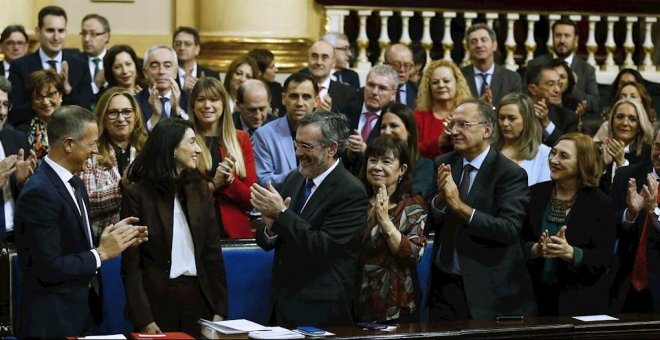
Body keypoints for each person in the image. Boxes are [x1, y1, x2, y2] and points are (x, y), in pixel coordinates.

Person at [14, 105, 147, 338]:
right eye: (91, 144)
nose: (96, 151)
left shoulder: (75, 182)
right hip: (51, 322)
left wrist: (113, 238)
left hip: (82, 312)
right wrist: (101, 253)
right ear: (68, 144)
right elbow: (48, 267)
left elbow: (74, 242)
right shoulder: (39, 192)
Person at [251, 110, 368, 327]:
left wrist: (281, 216)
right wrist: (270, 228)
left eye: (306, 146)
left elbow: (324, 246)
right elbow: (271, 236)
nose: (297, 152)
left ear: (331, 148)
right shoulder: (295, 178)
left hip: (321, 309)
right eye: (297, 144)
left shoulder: (350, 191)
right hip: (282, 301)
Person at [426, 99, 536, 320]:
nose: (454, 131)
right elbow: (429, 220)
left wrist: (459, 206)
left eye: (463, 125)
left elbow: (509, 229)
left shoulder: (509, 173)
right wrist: (440, 201)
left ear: (487, 129)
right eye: (452, 125)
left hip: (487, 290)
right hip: (444, 285)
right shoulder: (444, 163)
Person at [122, 118, 227, 336]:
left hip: (199, 300)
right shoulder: (137, 195)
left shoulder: (201, 190)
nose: (198, 149)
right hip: (157, 303)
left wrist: (220, 309)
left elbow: (212, 254)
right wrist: (144, 318)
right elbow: (131, 265)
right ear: (171, 147)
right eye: (191, 142)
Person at [522, 132, 616, 316]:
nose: (554, 160)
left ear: (583, 163)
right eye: (553, 153)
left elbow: (603, 258)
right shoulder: (534, 194)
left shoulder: (600, 204)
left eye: (564, 156)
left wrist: (571, 253)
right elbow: (517, 240)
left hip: (579, 301)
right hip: (533, 299)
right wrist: (535, 250)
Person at [355, 135, 428, 323]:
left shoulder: (412, 206)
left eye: (386, 161)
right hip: (353, 300)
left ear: (401, 169)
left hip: (396, 304)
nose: (377, 167)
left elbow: (413, 254)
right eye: (372, 160)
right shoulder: (355, 201)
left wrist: (385, 221)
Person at [190, 77, 256, 238]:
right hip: (194, 230)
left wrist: (230, 180)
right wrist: (214, 184)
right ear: (192, 105)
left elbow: (250, 200)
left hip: (235, 232)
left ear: (224, 104)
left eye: (214, 99)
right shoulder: (183, 140)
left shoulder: (242, 139)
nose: (207, 105)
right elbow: (182, 196)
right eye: (201, 99)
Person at [9, 6, 94, 131]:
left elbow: (87, 111)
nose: (56, 37)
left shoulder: (79, 65)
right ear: (38, 32)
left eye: (61, 31)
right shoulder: (20, 66)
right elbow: (14, 112)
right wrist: (42, 103)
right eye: (50, 30)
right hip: (30, 136)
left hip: (72, 135)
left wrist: (68, 90)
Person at [82, 87, 147, 239]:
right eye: (113, 113)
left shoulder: (147, 150)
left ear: (135, 115)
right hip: (105, 238)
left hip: (145, 236)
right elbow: (86, 201)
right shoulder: (90, 152)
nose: (120, 118)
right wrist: (121, 187)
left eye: (126, 111)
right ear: (102, 117)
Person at [610, 126, 660, 313]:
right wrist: (630, 215)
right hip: (625, 283)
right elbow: (608, 224)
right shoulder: (627, 176)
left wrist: (654, 211)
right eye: (658, 147)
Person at [253, 72, 317, 189]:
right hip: (278, 202)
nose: (300, 103)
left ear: (316, 101)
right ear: (283, 99)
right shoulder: (264, 134)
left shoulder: (326, 134)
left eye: (306, 97)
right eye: (294, 96)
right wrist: (301, 173)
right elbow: (263, 181)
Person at [527, 18, 599, 117]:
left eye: (567, 36)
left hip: (573, 121)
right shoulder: (535, 64)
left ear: (575, 39)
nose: (562, 40)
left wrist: (572, 85)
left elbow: (595, 104)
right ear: (552, 37)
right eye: (558, 35)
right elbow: (524, 95)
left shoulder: (586, 69)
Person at [0, 76, 36, 243]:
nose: (2, 112)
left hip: (19, 239)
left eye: (6, 105)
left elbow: (35, 198)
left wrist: (23, 183)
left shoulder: (17, 140)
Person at [344, 64, 399, 172]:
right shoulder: (344, 112)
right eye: (371, 85)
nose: (374, 92)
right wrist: (348, 153)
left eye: (382, 88)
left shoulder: (394, 121)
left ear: (393, 94)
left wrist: (366, 151)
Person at [414, 59, 472, 159]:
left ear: (457, 83)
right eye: (435, 82)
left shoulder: (469, 114)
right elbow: (411, 150)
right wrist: (438, 142)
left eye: (446, 81)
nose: (441, 85)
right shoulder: (418, 116)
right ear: (429, 87)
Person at [493, 93, 551, 186]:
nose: (505, 123)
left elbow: (542, 192)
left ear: (527, 120)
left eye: (512, 118)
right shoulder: (488, 150)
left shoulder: (544, 154)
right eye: (501, 118)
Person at [599, 98, 653, 193]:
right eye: (620, 117)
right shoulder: (599, 150)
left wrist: (622, 163)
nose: (625, 123)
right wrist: (601, 166)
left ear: (639, 126)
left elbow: (640, 192)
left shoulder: (648, 153)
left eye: (632, 119)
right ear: (612, 122)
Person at [461, 23, 522, 107]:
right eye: (473, 42)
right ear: (468, 48)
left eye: (484, 40)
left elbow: (517, 110)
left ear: (494, 45)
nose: (479, 45)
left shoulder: (511, 78)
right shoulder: (460, 76)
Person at [379, 103, 434, 195]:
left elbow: (417, 198)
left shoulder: (424, 166)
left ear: (409, 130)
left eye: (394, 126)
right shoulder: (372, 163)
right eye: (383, 127)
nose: (387, 132)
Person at [136, 45, 189, 131]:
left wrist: (178, 110)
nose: (161, 71)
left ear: (175, 72)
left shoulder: (190, 100)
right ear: (145, 72)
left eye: (167, 66)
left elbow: (194, 135)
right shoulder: (134, 102)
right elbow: (136, 138)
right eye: (155, 66)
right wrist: (155, 117)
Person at [526, 64, 578, 147]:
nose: (558, 90)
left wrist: (547, 124)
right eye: (551, 84)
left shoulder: (568, 117)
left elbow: (569, 149)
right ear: (533, 89)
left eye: (559, 84)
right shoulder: (516, 112)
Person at [304, 40, 354, 114]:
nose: (319, 62)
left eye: (325, 57)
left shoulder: (347, 93)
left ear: (333, 63)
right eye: (314, 56)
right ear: (308, 59)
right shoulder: (295, 88)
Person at [25, 69, 63, 160]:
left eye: (50, 94)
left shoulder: (75, 125)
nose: (45, 102)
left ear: (61, 95)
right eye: (38, 97)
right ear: (32, 102)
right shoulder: (23, 131)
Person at [173, 26, 220, 92]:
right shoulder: (166, 75)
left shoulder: (211, 75)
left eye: (187, 44)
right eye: (177, 44)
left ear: (197, 49)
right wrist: (183, 92)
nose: (182, 48)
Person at [79, 14, 110, 95]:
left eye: (93, 34)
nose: (86, 39)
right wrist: (95, 85)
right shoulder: (75, 63)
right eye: (84, 33)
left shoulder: (114, 60)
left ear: (106, 37)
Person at [248, 48, 284, 116]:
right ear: (258, 71)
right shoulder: (246, 89)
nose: (276, 70)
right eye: (271, 67)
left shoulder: (276, 88)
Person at [384, 44, 418, 109]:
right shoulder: (373, 91)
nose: (402, 70)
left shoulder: (418, 93)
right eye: (396, 64)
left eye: (407, 65)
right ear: (385, 66)